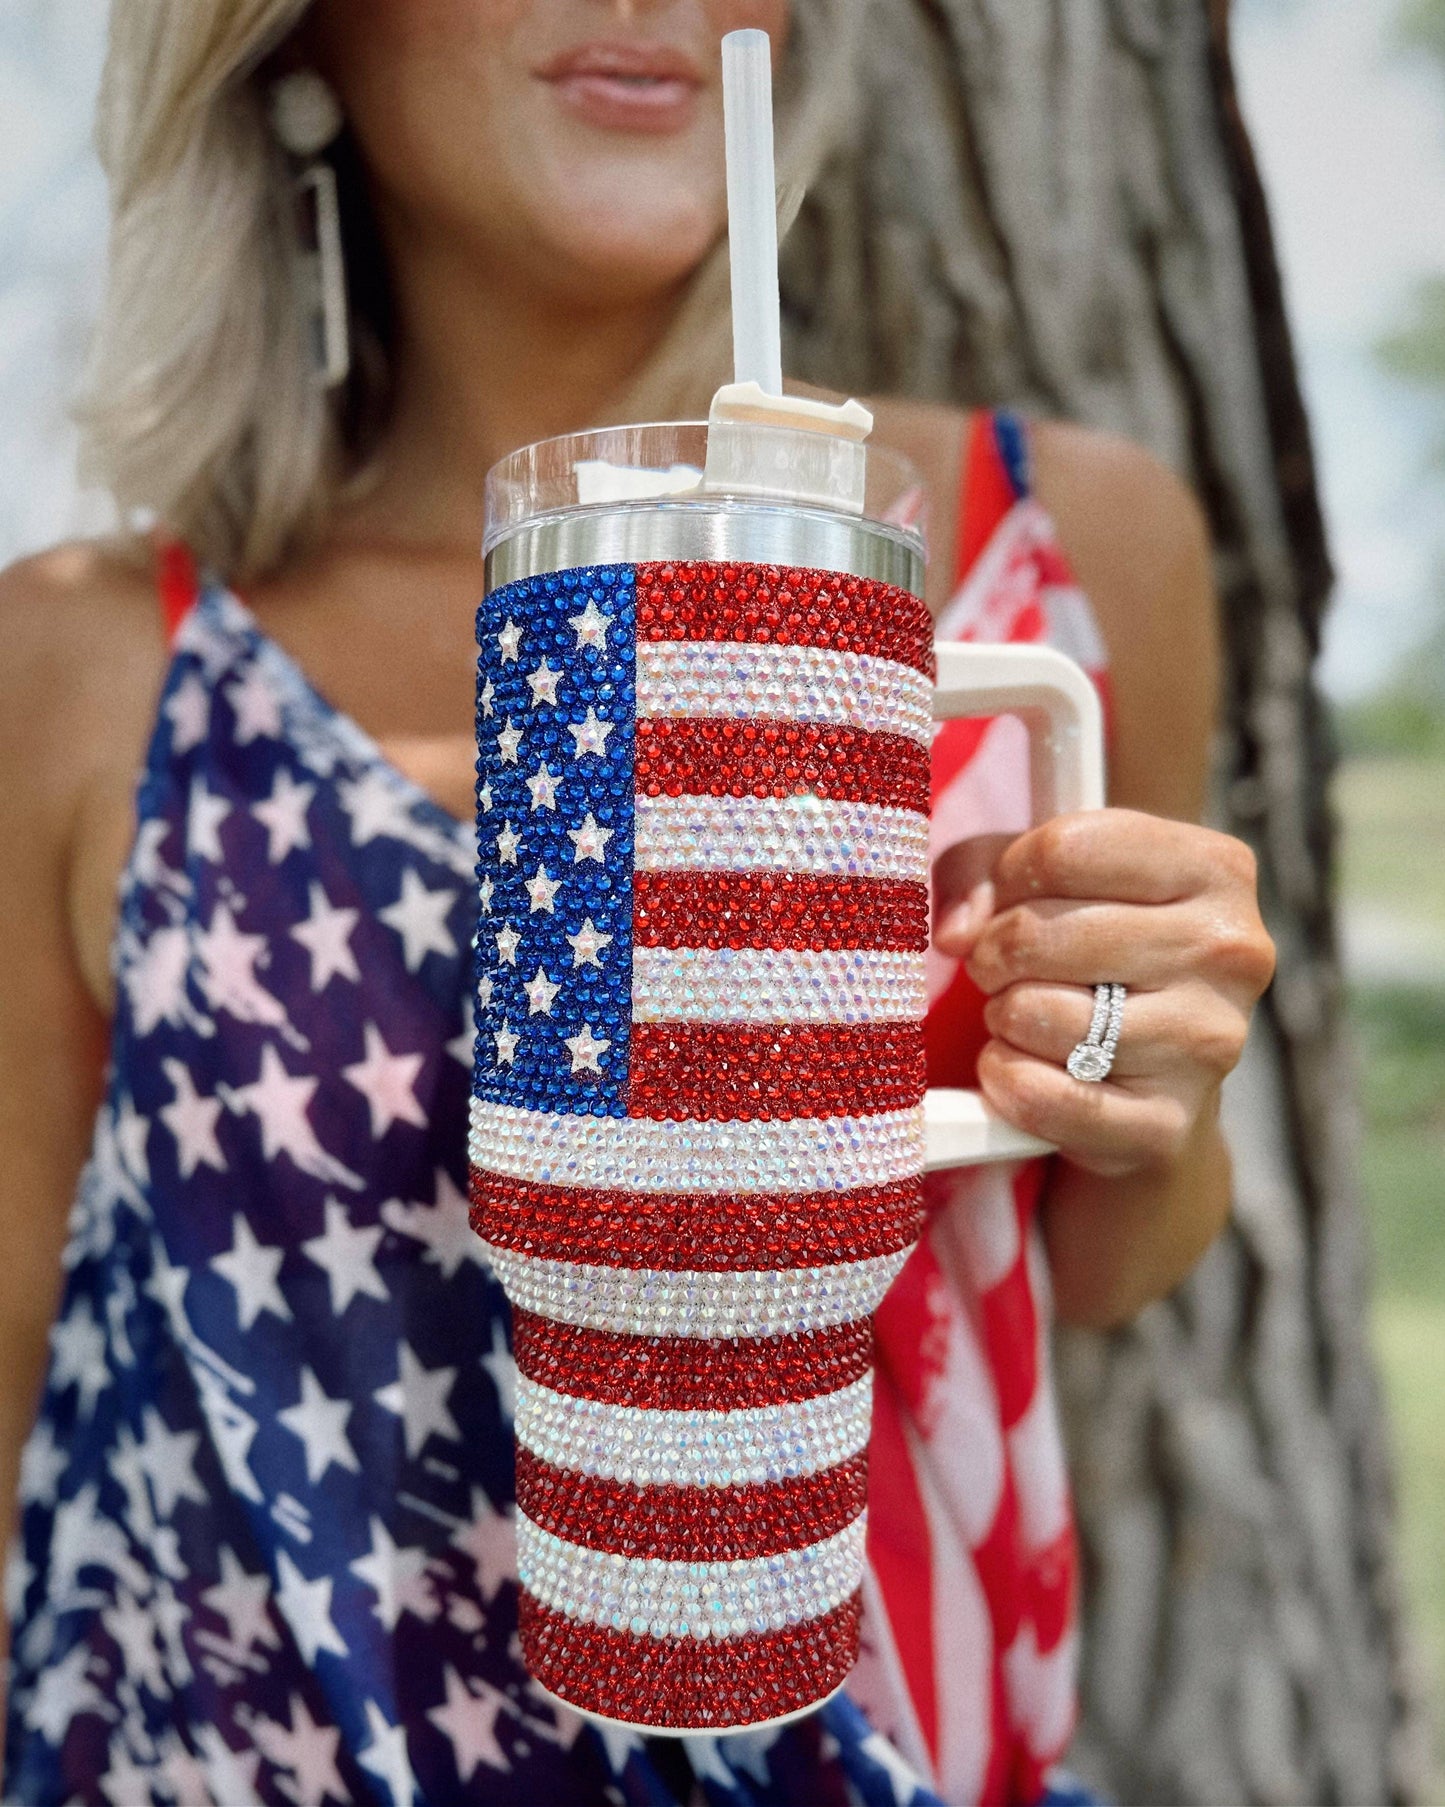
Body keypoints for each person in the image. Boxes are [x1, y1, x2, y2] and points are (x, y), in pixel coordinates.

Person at [0, 1, 1276, 1802]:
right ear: (289, 39)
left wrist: (1150, 1075)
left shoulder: (1047, 540)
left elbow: (1088, 1272)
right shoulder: (85, 662)